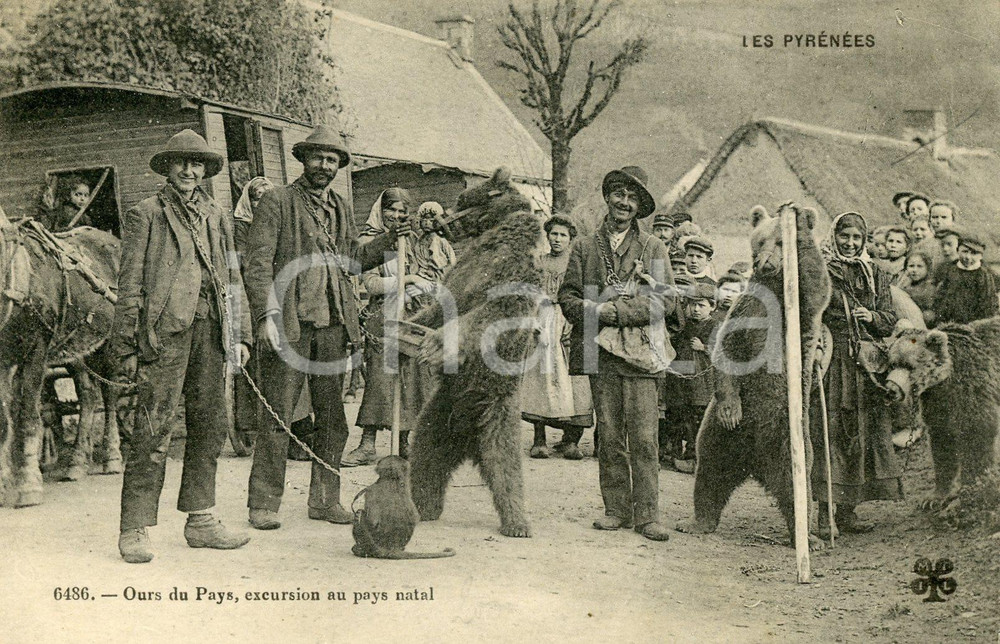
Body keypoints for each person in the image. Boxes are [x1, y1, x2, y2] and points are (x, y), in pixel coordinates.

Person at [243, 125, 407, 530]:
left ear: (338, 166)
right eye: (317, 157)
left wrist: (389, 239)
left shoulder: (340, 206)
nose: (324, 165)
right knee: (279, 416)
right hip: (291, 327)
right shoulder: (278, 202)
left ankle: (324, 500)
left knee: (333, 419)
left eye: (331, 160)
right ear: (303, 160)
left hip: (335, 327)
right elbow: (258, 264)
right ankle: (263, 504)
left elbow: (352, 260)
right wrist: (266, 317)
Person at [112, 129, 253, 563]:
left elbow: (233, 278)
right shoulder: (146, 215)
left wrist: (240, 335)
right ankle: (134, 528)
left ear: (207, 171)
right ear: (168, 168)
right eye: (181, 163)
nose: (190, 170)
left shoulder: (217, 216)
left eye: (198, 164)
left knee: (210, 425)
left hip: (210, 332)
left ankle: (201, 519)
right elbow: (130, 285)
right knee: (152, 430)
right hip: (164, 337)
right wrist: (127, 347)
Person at [559, 165, 675, 541]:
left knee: (643, 437)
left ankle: (648, 516)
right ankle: (616, 510)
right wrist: (596, 311)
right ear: (607, 197)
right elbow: (567, 297)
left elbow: (666, 301)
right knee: (608, 434)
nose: (624, 203)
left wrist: (619, 313)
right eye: (619, 194)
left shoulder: (653, 247)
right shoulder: (584, 245)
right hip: (598, 352)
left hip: (641, 355)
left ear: (640, 207)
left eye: (632, 198)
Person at [343, 191, 456, 465]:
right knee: (381, 381)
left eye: (402, 211)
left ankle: (404, 442)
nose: (395, 216)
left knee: (413, 380)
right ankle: (368, 443)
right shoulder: (368, 241)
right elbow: (370, 284)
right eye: (390, 210)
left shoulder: (412, 240)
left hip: (411, 316)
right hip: (383, 318)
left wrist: (423, 283)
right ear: (380, 211)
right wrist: (407, 280)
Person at [813, 211, 902, 539]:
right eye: (844, 237)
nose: (849, 244)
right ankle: (824, 516)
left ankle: (847, 512)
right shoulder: (822, 268)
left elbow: (891, 317)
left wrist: (873, 315)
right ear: (833, 236)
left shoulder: (875, 272)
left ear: (864, 242)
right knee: (830, 432)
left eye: (856, 239)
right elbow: (809, 311)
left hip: (864, 366)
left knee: (861, 436)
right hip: (833, 360)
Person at [522, 215, 594, 461]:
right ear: (548, 236)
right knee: (540, 376)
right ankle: (539, 438)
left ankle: (571, 440)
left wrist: (574, 322)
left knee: (575, 377)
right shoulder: (539, 262)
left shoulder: (577, 263)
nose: (557, 239)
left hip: (569, 319)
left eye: (563, 235)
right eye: (554, 234)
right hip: (542, 319)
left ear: (571, 239)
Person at [666, 283, 718, 474]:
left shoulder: (715, 326)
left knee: (698, 419)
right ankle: (677, 453)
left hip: (702, 383)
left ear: (712, 306)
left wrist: (704, 348)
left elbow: (723, 353)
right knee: (681, 416)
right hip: (683, 379)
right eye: (693, 304)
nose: (696, 309)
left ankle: (694, 458)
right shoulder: (685, 325)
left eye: (701, 305)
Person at [932, 230, 998, 325]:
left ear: (981, 256)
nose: (968, 257)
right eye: (965, 251)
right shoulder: (951, 270)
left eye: (974, 253)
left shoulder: (983, 274)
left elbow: (988, 305)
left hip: (974, 323)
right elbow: (942, 296)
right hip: (950, 321)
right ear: (958, 250)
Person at [232, 176, 275, 256]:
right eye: (257, 200)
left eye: (267, 200)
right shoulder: (242, 225)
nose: (262, 205)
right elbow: (242, 254)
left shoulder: (277, 221)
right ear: (249, 201)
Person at [901, 250, 936, 326]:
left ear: (927, 269)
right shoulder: (904, 285)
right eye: (911, 266)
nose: (914, 270)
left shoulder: (930, 288)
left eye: (919, 266)